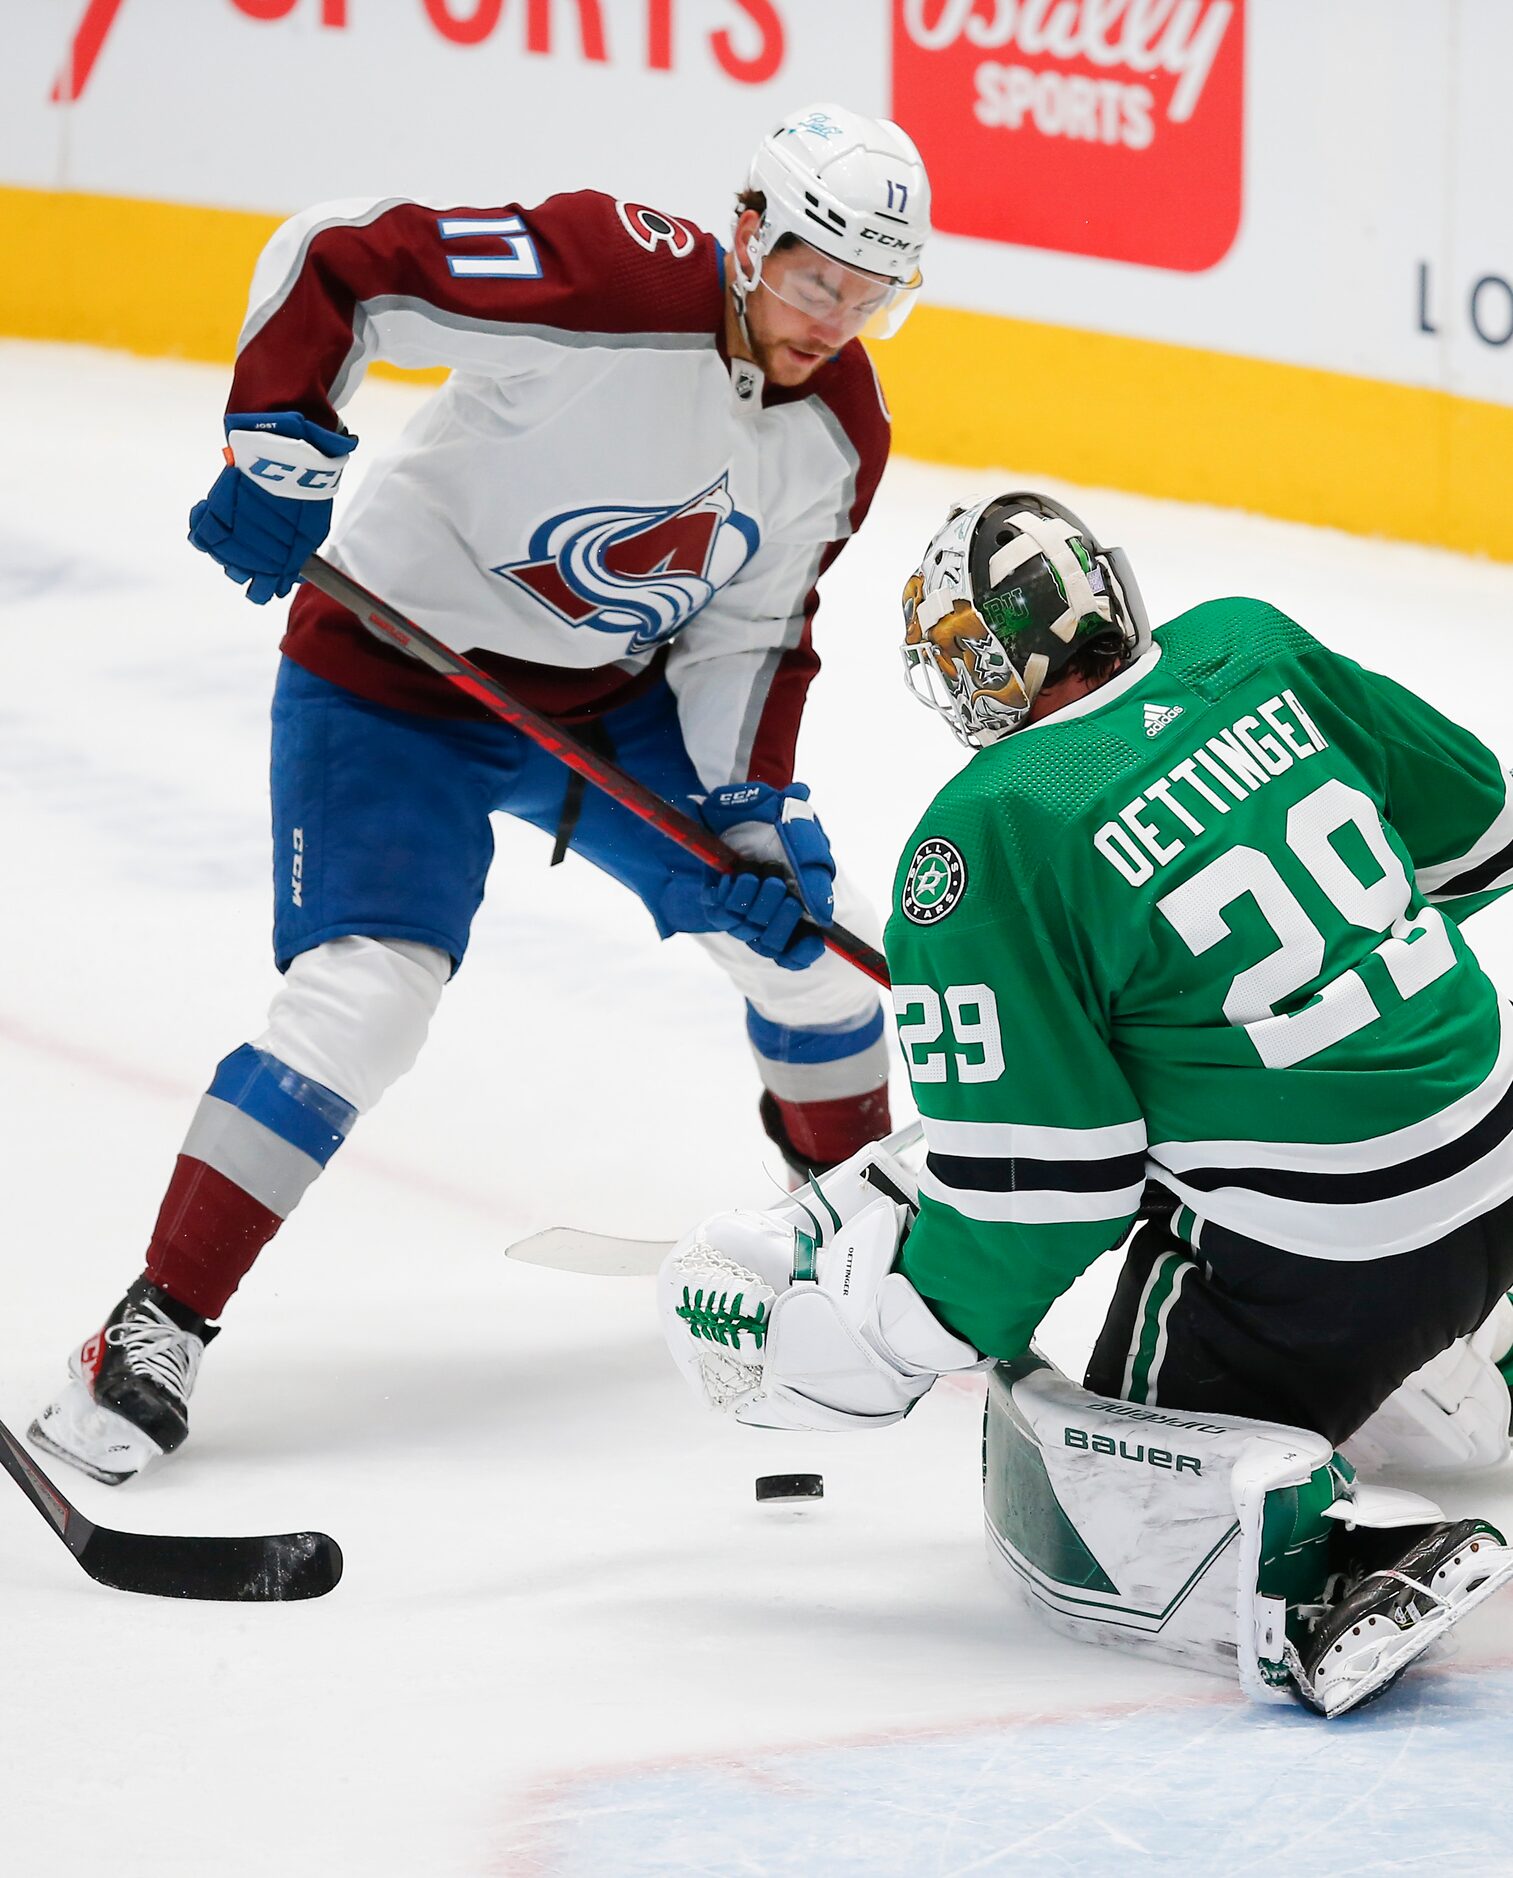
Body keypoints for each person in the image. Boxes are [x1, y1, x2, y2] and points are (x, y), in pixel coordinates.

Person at [31, 103, 931, 1486]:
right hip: (392, 671)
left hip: (614, 701)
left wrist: (749, 811)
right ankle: (157, 1319)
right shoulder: (604, 277)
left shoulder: (841, 432)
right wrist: (282, 446)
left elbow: (753, 631)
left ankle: (865, 1259)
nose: (839, 316)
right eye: (820, 275)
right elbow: (340, 262)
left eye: (876, 294)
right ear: (751, 230)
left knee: (812, 954)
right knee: (367, 993)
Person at [660, 490, 1513, 1717]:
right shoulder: (1251, 646)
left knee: (1100, 1469)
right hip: (1491, 1144)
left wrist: (897, 1337)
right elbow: (1475, 833)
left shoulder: (993, 827)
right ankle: (1471, 1367)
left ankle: (1318, 1577)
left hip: (1334, 1252)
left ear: (977, 664)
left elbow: (1045, 1196)